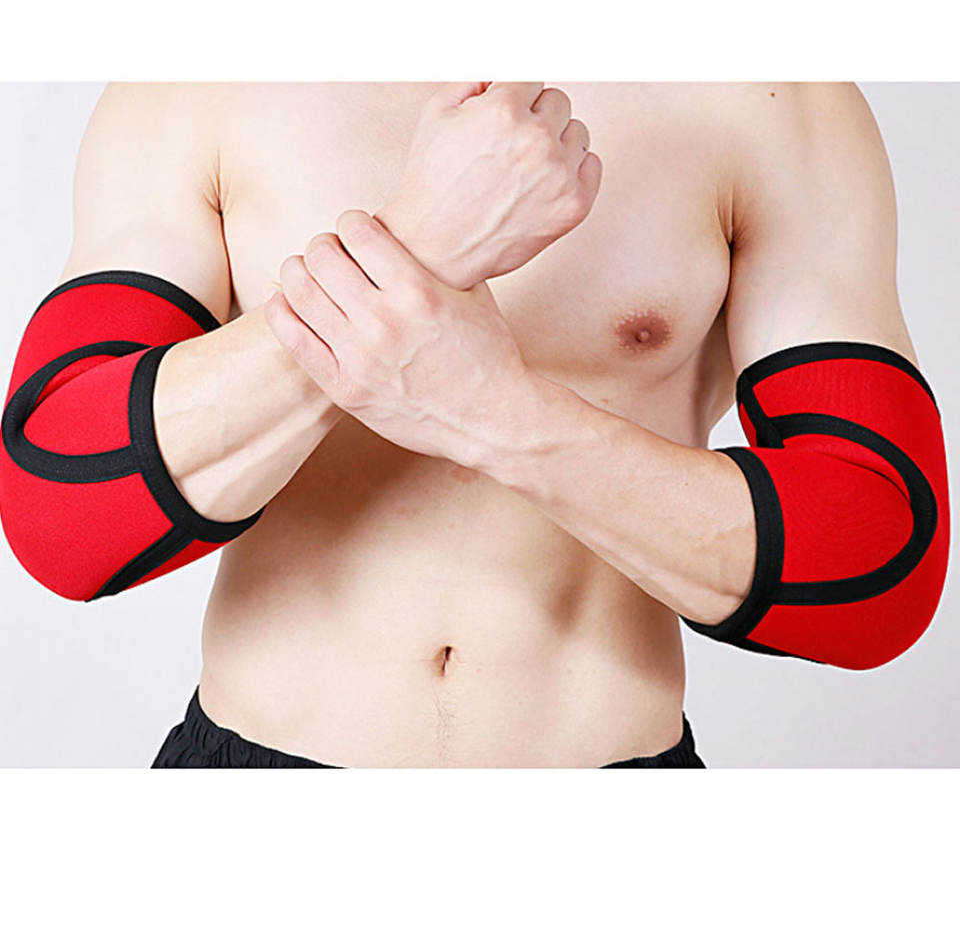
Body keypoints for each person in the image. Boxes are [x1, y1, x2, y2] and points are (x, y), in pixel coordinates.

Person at [0, 82, 948, 768]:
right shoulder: (199, 80)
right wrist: (421, 243)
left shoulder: (772, 95)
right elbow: (58, 506)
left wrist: (495, 411)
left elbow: (879, 559)